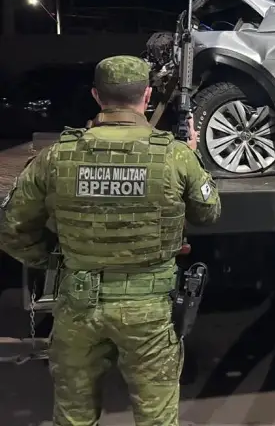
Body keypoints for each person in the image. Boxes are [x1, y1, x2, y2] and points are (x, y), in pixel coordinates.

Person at [0, 55, 221, 426]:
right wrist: (193, 152)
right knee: (156, 419)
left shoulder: (56, 156)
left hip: (78, 303)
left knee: (74, 417)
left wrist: (53, 262)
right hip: (148, 309)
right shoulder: (174, 155)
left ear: (96, 96)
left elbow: (11, 229)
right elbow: (208, 213)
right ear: (147, 95)